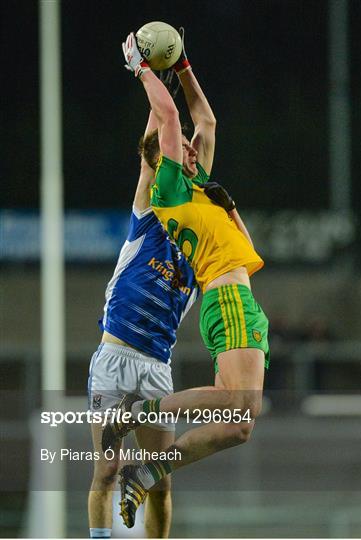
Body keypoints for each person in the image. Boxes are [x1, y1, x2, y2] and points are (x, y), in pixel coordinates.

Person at [103, 30, 270, 529]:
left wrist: (184, 67)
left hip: (240, 302)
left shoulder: (198, 190)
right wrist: (143, 70)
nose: (194, 150)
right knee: (244, 404)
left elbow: (206, 120)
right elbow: (172, 118)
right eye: (182, 152)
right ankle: (142, 411)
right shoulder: (170, 192)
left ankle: (148, 470)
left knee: (237, 425)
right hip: (227, 297)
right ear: (164, 164)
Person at [87, 110, 199, 539]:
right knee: (108, 469)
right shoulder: (148, 216)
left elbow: (203, 151)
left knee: (159, 479)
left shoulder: (200, 252)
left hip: (155, 365)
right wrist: (156, 80)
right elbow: (154, 151)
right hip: (114, 356)